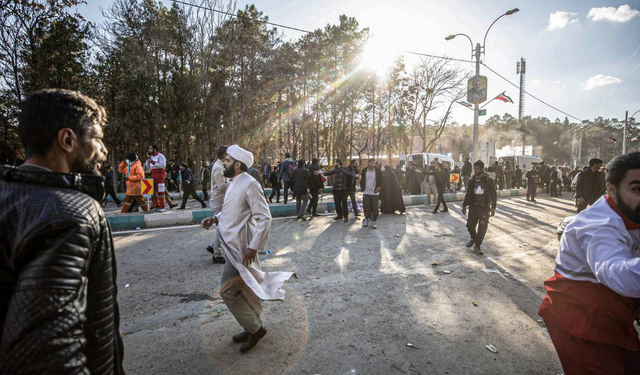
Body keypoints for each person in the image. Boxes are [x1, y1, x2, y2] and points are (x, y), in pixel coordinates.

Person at [0, 89, 124, 374]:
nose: (103, 151)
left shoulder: (9, 196)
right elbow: (49, 355)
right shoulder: (73, 214)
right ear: (67, 140)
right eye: (97, 139)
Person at [538, 152, 640, 375]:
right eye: (637, 189)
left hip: (615, 316)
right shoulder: (598, 226)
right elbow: (616, 273)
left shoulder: (629, 211)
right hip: (582, 323)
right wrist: (582, 198)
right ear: (612, 189)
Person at [200, 145, 294, 353]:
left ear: (238, 164)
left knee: (227, 291)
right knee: (245, 289)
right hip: (232, 246)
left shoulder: (250, 184)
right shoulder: (234, 183)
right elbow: (233, 213)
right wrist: (215, 218)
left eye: (227, 160)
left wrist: (253, 247)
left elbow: (264, 217)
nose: (224, 163)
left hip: (242, 249)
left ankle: (256, 328)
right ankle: (250, 326)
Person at [462, 161, 497, 255]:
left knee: (482, 229)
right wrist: (464, 205)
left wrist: (493, 207)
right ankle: (473, 238)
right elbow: (468, 193)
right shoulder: (471, 180)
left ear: (482, 169)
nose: (475, 170)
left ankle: (477, 246)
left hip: (484, 208)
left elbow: (494, 194)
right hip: (473, 208)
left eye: (477, 169)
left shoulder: (489, 180)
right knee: (469, 225)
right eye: (475, 169)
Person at [206, 146, 229, 264]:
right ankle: (217, 254)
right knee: (221, 228)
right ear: (225, 155)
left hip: (219, 200)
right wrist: (235, 183)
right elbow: (222, 187)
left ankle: (212, 246)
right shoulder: (219, 168)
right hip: (218, 201)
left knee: (221, 226)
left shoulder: (219, 166)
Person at [324, 158, 354, 222]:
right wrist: (321, 173)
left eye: (336, 162)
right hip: (335, 188)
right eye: (335, 162)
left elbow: (351, 174)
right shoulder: (335, 169)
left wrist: (356, 175)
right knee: (337, 202)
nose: (335, 163)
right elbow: (329, 172)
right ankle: (339, 215)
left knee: (344, 203)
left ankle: (345, 216)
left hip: (342, 188)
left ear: (339, 162)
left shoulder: (344, 169)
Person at [360, 158, 384, 228]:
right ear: (368, 163)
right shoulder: (364, 171)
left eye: (374, 163)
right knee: (366, 206)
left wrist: (380, 187)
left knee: (375, 207)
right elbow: (362, 179)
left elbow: (383, 180)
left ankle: (374, 221)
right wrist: (361, 186)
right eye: (371, 163)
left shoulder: (378, 171)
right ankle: (366, 219)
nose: (373, 164)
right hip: (366, 191)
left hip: (374, 192)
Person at [146, 144, 167, 211]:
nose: (149, 150)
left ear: (155, 149)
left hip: (160, 174)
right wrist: (148, 160)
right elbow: (148, 166)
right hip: (153, 174)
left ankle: (162, 207)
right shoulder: (150, 157)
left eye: (150, 148)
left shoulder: (161, 156)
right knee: (153, 191)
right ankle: (156, 206)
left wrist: (153, 162)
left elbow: (162, 165)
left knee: (160, 191)